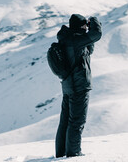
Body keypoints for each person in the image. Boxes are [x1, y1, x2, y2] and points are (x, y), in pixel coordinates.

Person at [55, 14, 102, 158]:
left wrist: (85, 32)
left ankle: (61, 153)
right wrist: (94, 20)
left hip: (69, 86)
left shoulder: (68, 39)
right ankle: (73, 153)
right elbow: (97, 34)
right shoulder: (75, 40)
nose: (86, 28)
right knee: (77, 121)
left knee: (65, 121)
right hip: (79, 86)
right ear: (79, 26)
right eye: (84, 25)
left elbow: (88, 52)